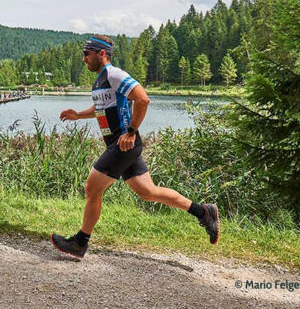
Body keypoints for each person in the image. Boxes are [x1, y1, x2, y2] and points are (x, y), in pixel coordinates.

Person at [50, 35, 219, 259]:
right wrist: (79, 115)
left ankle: (80, 242)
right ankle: (203, 211)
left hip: (124, 143)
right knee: (148, 192)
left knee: (92, 188)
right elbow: (102, 107)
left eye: (87, 53)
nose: (84, 58)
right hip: (120, 143)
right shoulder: (100, 79)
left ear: (102, 54)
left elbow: (142, 99)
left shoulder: (115, 74)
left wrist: (130, 131)